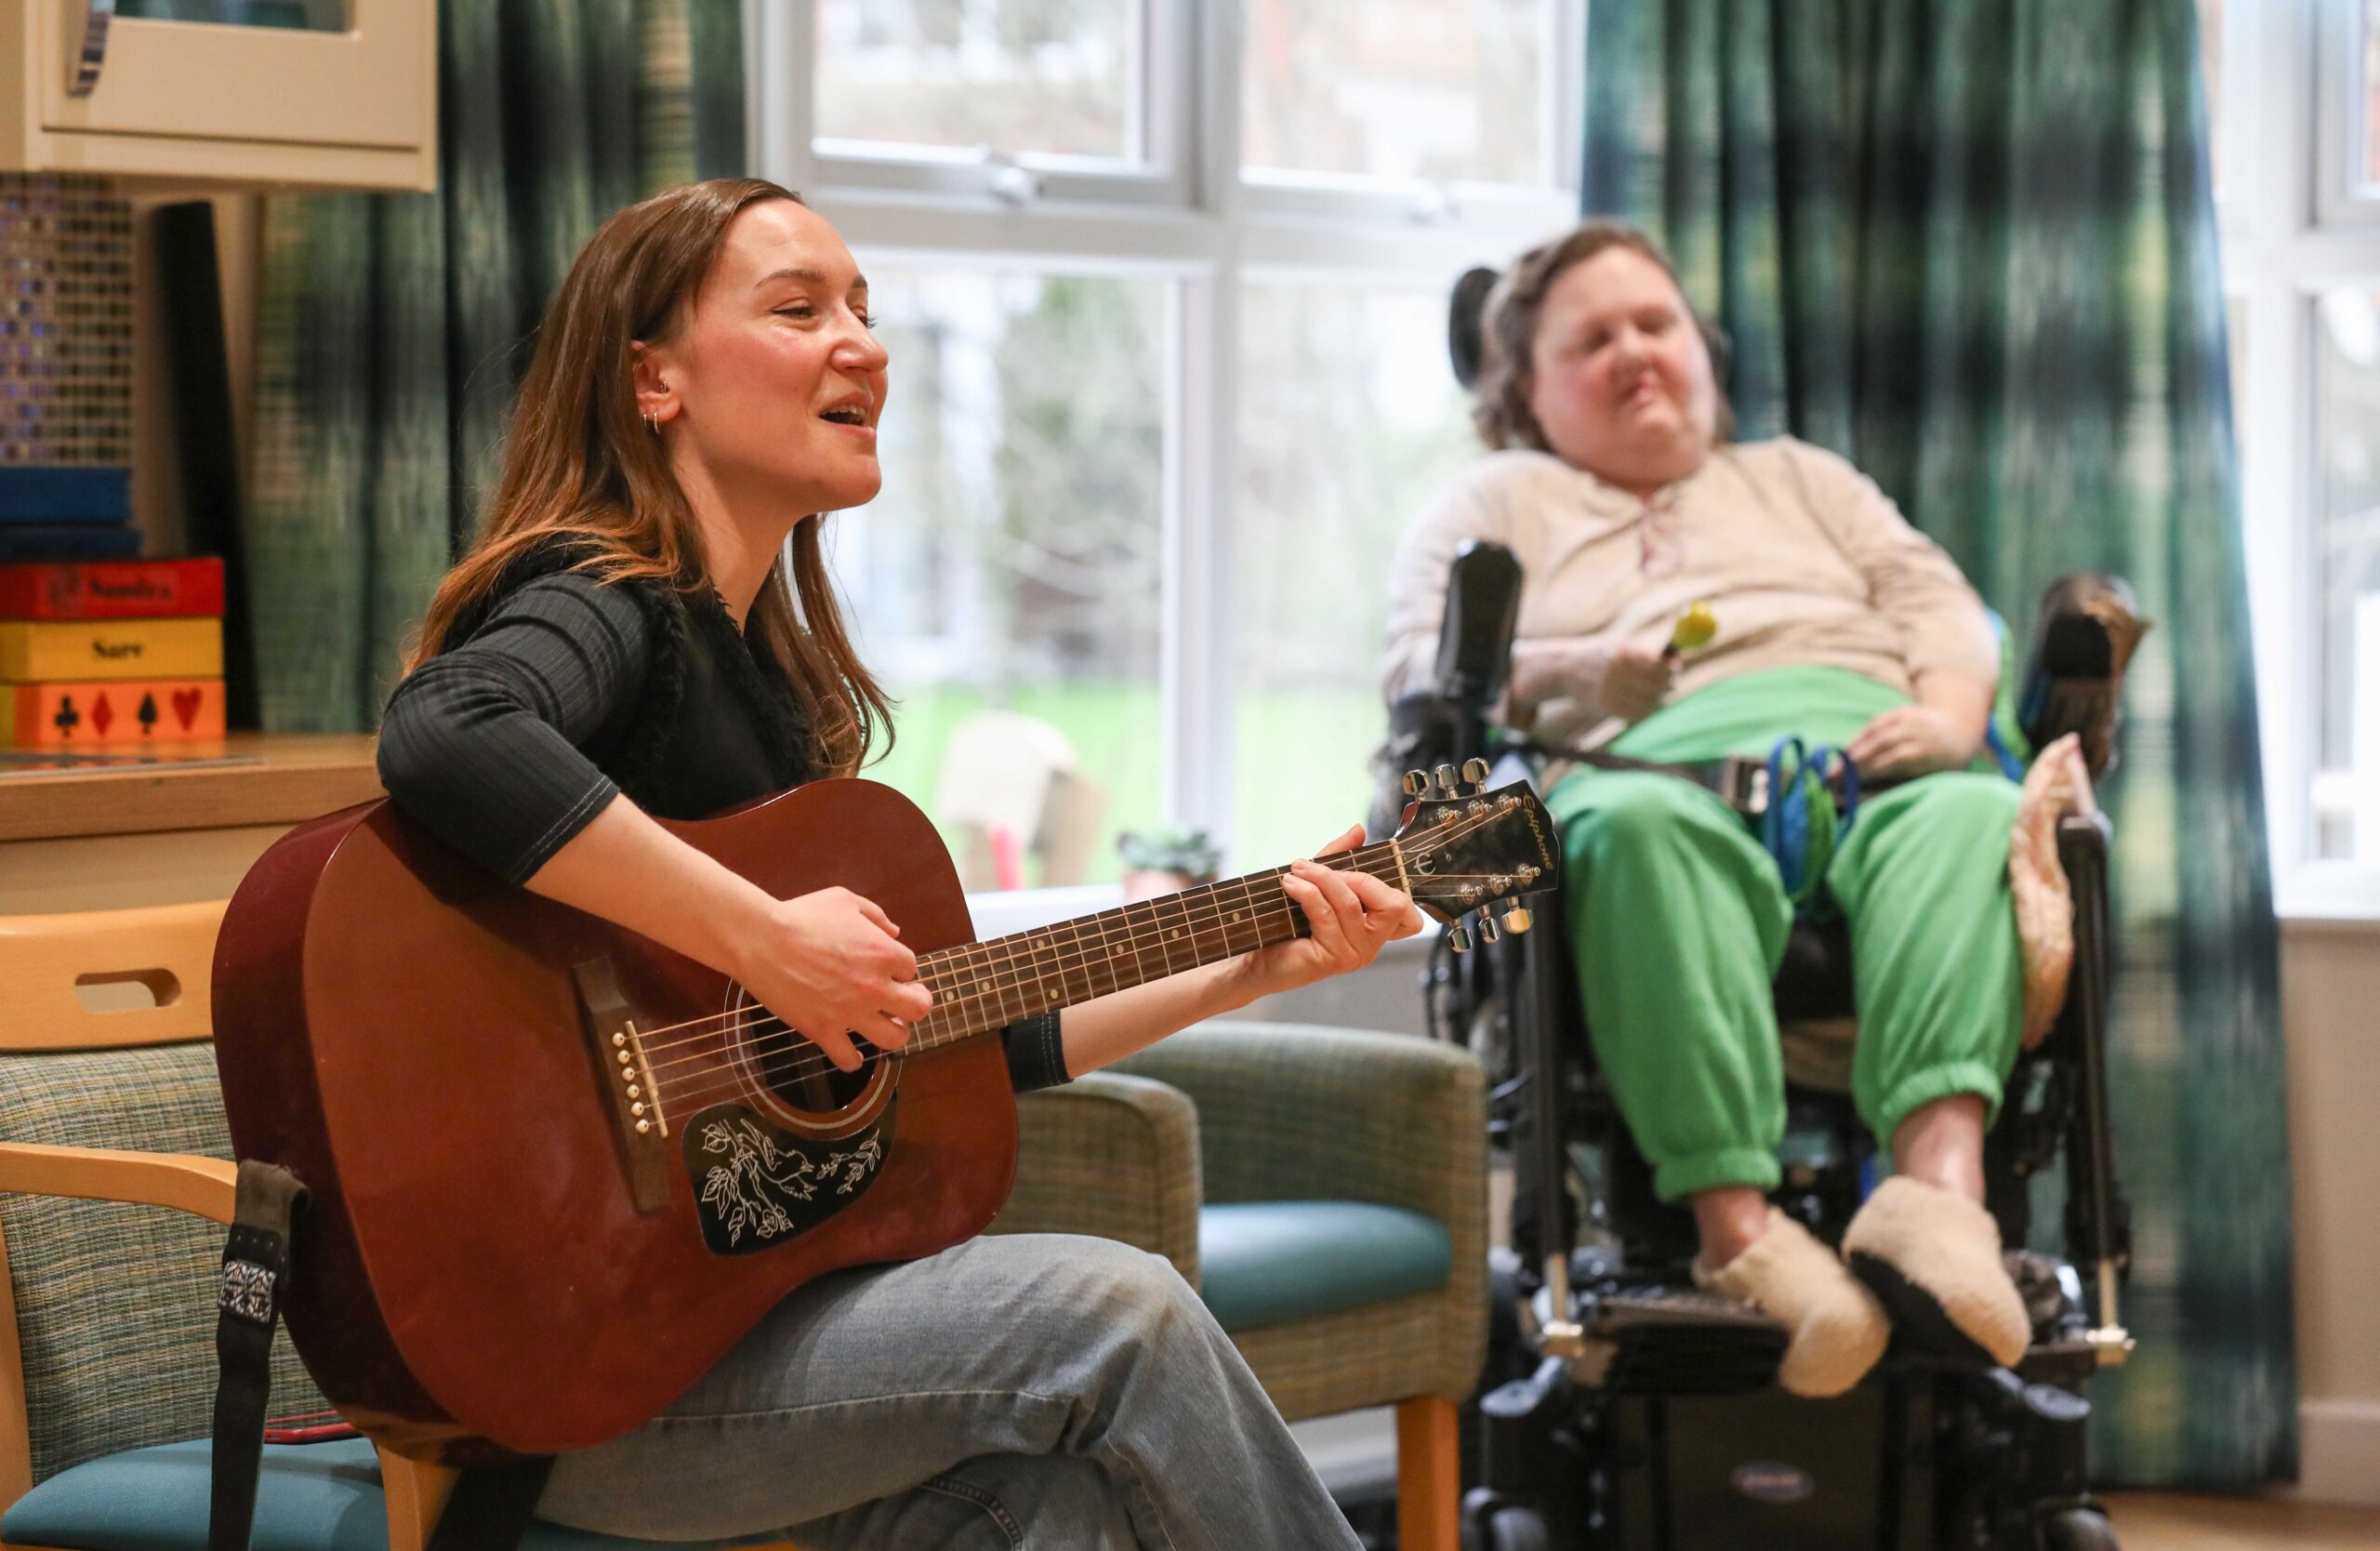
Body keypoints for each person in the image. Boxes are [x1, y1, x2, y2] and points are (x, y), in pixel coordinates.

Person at [376, 177, 1422, 1550]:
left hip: (739, 1339)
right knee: (1121, 1309)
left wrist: (1249, 962)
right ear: (653, 381)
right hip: (579, 1381)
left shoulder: (775, 695)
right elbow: (447, 728)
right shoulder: (603, 601)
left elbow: (951, 1038)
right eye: (798, 310)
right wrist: (765, 941)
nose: (863, 345)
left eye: (863, 310)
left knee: (1052, 1510)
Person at [1383, 220, 2036, 1399]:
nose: (1635, 352)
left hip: (1876, 758)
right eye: (1592, 340)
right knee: (1637, 833)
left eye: (1656, 324)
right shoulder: (1493, 502)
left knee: (1975, 817)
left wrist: (1948, 719)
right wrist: (1579, 669)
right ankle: (1741, 1236)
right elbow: (1421, 681)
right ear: (1526, 393)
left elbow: (1938, 605)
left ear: (1704, 350)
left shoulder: (1803, 478)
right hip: (1650, 776)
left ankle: (1938, 1204)